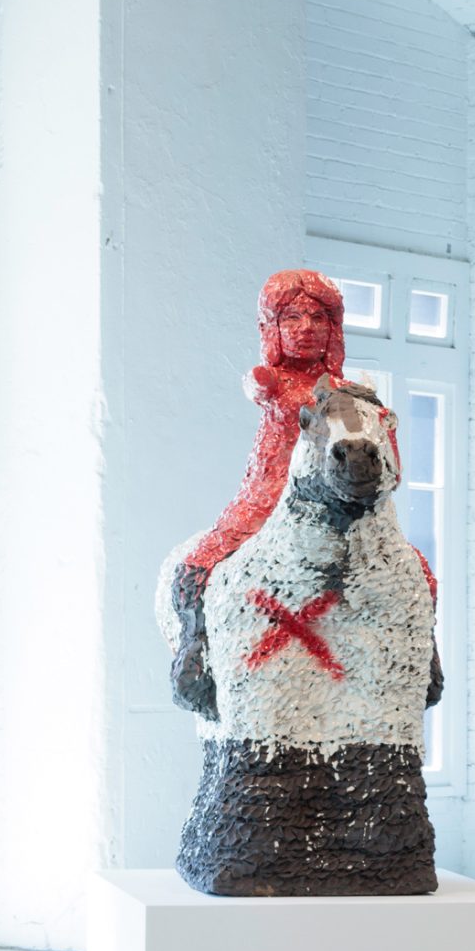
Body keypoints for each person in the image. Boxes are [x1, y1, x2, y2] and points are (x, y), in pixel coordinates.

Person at [160, 270, 350, 720]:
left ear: (332, 329)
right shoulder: (271, 380)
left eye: (318, 318)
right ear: (274, 328)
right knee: (198, 564)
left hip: (334, 500)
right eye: (293, 317)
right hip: (267, 494)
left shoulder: (346, 392)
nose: (306, 328)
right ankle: (194, 650)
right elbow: (258, 385)